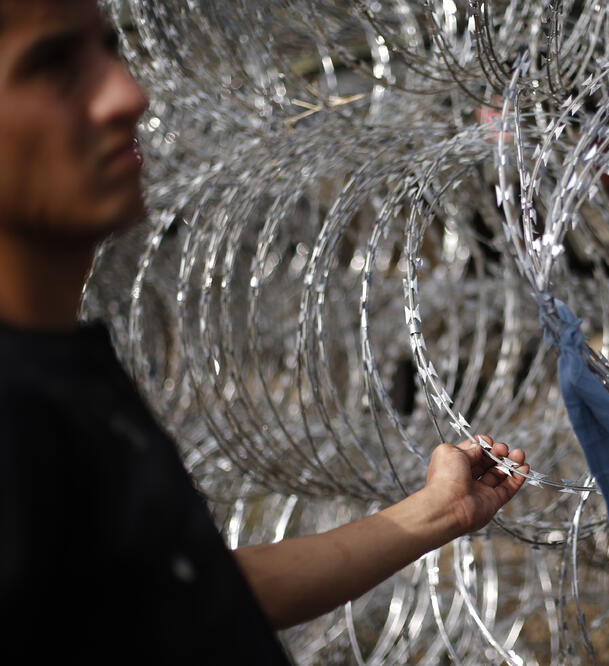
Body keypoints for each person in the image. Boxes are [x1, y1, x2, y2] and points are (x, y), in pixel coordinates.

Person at [0, 1, 528, 662]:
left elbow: (181, 590)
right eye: (51, 67)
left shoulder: (58, 369)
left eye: (109, 49)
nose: (126, 94)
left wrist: (438, 512)